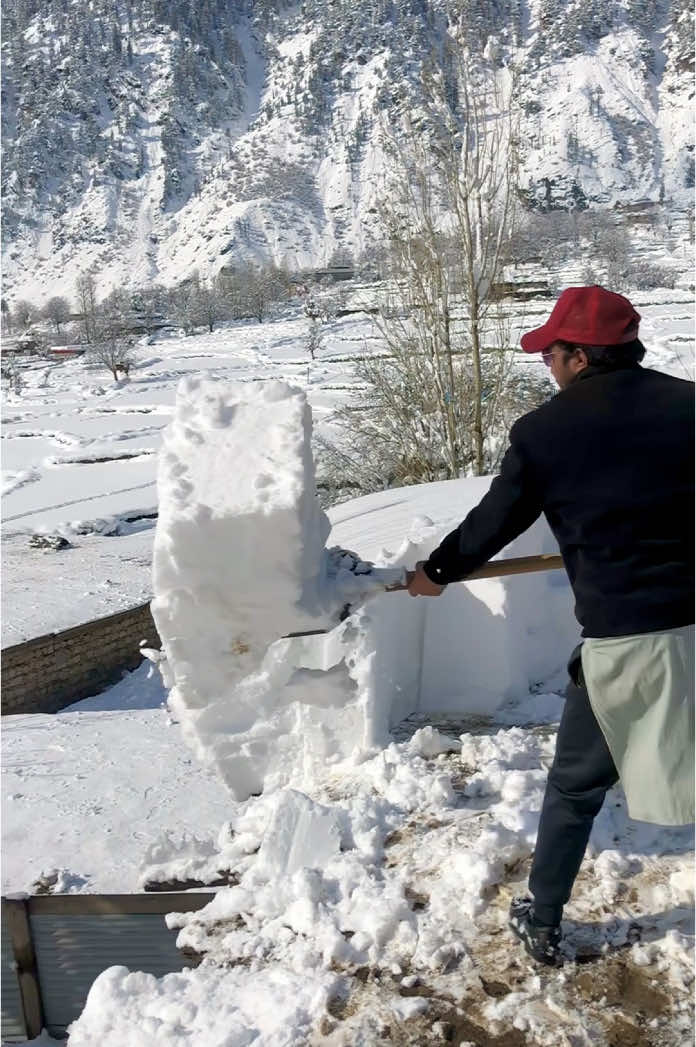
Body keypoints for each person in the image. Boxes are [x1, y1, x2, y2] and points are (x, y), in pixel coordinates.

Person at [407, 285, 695, 966]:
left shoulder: (546, 433)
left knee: (576, 782)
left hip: (629, 639)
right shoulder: (690, 405)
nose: (548, 366)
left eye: (551, 353)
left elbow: (490, 524)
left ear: (578, 354)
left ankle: (542, 916)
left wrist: (437, 572)